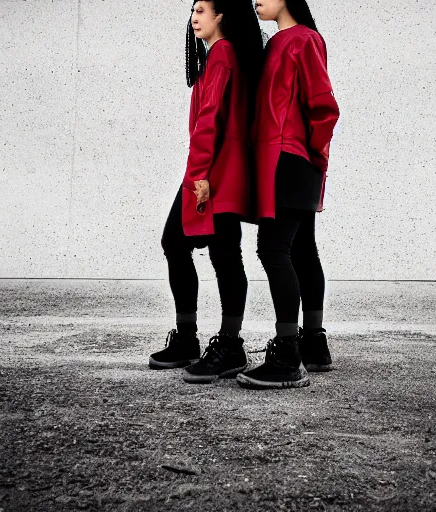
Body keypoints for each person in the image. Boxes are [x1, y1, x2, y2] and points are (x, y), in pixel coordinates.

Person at [149, 0, 263, 384]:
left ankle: (212, 342)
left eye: (202, 10)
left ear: (221, 16)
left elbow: (208, 120)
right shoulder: (220, 55)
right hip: (221, 170)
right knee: (220, 251)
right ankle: (205, 341)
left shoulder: (223, 53)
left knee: (191, 246)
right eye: (192, 11)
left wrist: (197, 175)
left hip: (213, 173)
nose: (194, 17)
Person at [236, 0, 340, 389]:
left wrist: (312, 155)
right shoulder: (277, 42)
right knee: (301, 249)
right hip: (289, 158)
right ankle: (313, 344)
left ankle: (286, 353)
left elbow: (323, 104)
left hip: (290, 158)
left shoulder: (303, 39)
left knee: (272, 250)